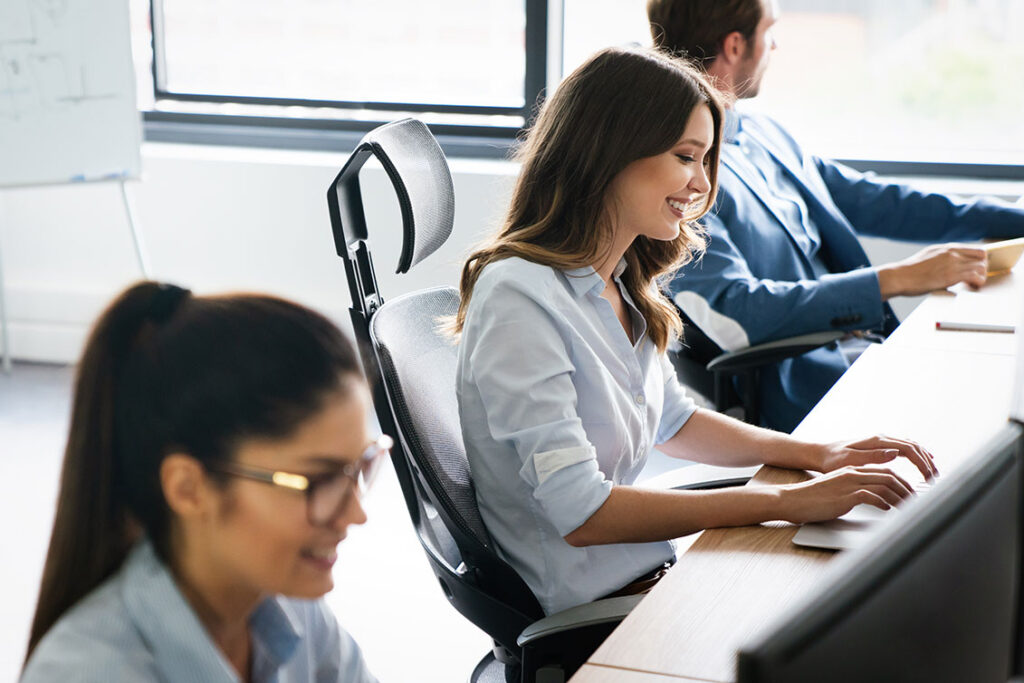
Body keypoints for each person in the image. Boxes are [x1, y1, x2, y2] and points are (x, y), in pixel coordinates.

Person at [452, 46, 937, 616]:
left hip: (646, 575)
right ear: (610, 151)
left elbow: (673, 421)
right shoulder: (519, 295)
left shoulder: (620, 280)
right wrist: (786, 501)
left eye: (707, 161)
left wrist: (819, 453)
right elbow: (581, 513)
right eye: (687, 157)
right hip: (596, 608)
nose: (702, 186)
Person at [647, 0, 1024, 432]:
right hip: (806, 386)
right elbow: (739, 314)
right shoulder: (686, 176)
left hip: (864, 352)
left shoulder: (762, 133)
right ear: (735, 45)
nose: (776, 44)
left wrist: (1013, 218)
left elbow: (878, 201)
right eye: (770, 30)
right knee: (989, 406)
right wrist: (896, 279)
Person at [21, 282, 384, 682]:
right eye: (319, 480)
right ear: (188, 488)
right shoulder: (88, 673)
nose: (356, 513)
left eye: (361, 466)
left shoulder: (292, 609)